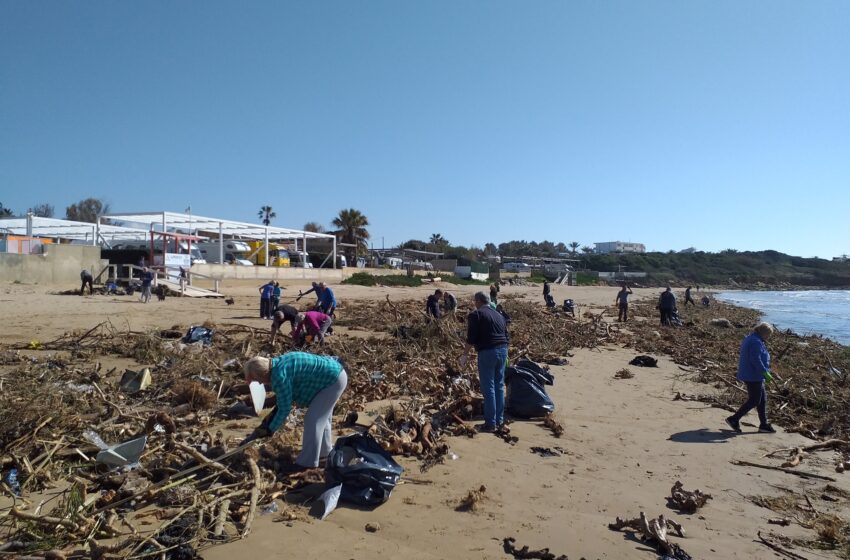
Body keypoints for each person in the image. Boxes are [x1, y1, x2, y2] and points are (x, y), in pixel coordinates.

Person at [243, 353, 347, 470]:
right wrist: (267, 424)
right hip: (335, 374)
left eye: (257, 379)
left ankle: (307, 463)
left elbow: (284, 408)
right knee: (322, 417)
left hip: (333, 381)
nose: (261, 383)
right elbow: (283, 402)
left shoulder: (279, 376)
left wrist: (270, 429)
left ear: (262, 373)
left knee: (313, 420)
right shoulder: (278, 364)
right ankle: (325, 453)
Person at [461, 292, 509, 433]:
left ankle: (490, 423)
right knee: (499, 386)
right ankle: (499, 420)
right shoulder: (499, 315)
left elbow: (471, 337)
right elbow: (506, 334)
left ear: (478, 301)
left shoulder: (476, 315)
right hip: (503, 350)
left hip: (488, 352)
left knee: (488, 387)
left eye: (475, 301)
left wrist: (464, 354)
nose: (474, 304)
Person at [726, 323, 776, 434]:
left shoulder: (752, 338)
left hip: (753, 374)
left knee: (762, 400)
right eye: (768, 335)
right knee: (754, 400)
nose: (768, 338)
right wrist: (764, 372)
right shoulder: (755, 342)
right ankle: (734, 419)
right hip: (753, 375)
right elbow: (755, 359)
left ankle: (764, 424)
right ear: (764, 333)